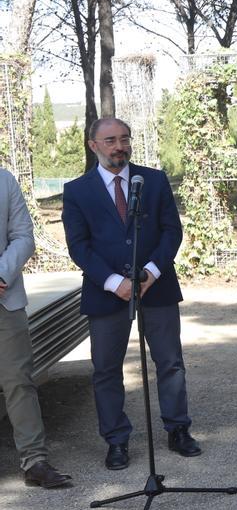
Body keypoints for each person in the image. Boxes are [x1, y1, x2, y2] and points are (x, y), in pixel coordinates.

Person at [61, 117, 201, 471]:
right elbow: (79, 247)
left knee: (170, 363)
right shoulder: (77, 190)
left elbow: (172, 231)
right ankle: (116, 440)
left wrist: (151, 272)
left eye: (124, 139)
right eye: (110, 140)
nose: (119, 146)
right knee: (106, 370)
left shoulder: (152, 181)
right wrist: (113, 281)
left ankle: (177, 429)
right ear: (93, 145)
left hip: (157, 286)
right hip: (106, 292)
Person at [0, 167, 72, 488]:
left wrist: (1, 274)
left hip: (5, 297)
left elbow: (24, 237)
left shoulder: (5, 181)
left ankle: (35, 461)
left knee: (19, 382)